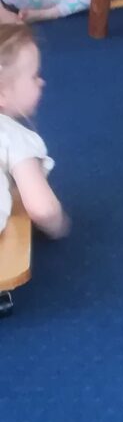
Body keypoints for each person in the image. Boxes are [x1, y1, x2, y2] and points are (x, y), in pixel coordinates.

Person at [0, 25, 68, 313]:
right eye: (34, 76)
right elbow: (43, 209)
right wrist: (59, 227)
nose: (42, 82)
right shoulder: (14, 136)